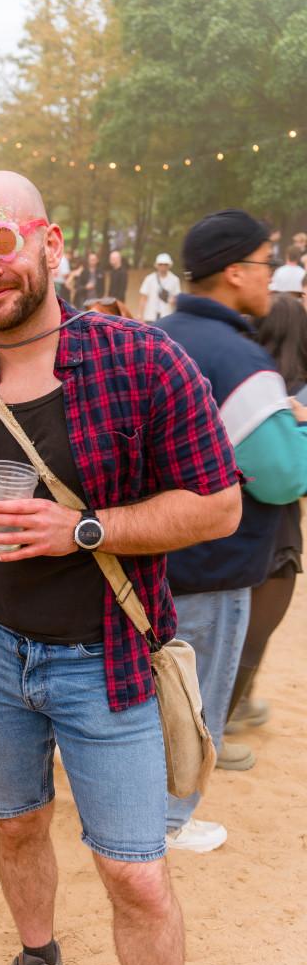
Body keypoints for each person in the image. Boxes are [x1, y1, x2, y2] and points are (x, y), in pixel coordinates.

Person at [0, 170, 242, 965]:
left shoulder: (139, 360)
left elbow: (218, 505)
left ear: (49, 242)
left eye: (1, 241)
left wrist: (84, 528)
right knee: (16, 824)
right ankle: (39, 956)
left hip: (106, 663)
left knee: (134, 874)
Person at [159, 210, 307, 849]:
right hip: (214, 562)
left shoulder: (154, 336)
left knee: (151, 693)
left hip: (147, 555)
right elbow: (281, 476)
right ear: (235, 271)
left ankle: (146, 813)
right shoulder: (242, 359)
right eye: (266, 262)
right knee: (195, 701)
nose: (272, 275)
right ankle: (170, 820)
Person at [225, 294, 307, 733]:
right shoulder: (287, 395)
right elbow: (292, 479)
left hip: (227, 522)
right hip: (276, 532)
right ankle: (224, 717)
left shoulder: (241, 379)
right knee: (252, 635)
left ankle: (233, 706)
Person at [138, 253, 180, 322]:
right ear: (156, 265)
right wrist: (140, 315)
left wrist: (173, 300)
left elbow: (177, 297)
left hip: (167, 316)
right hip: (150, 316)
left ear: (169, 265)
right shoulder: (149, 279)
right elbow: (143, 298)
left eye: (165, 264)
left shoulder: (175, 280)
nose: (163, 266)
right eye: (160, 264)